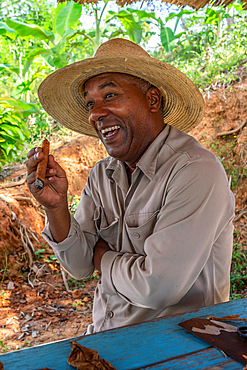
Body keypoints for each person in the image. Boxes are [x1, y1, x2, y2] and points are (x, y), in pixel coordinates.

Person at [26, 38, 235, 334]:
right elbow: (78, 267)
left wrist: (102, 256)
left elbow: (159, 287)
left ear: (152, 100)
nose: (95, 113)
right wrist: (56, 206)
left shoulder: (194, 170)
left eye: (110, 95)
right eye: (90, 103)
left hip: (180, 350)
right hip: (106, 337)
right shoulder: (102, 175)